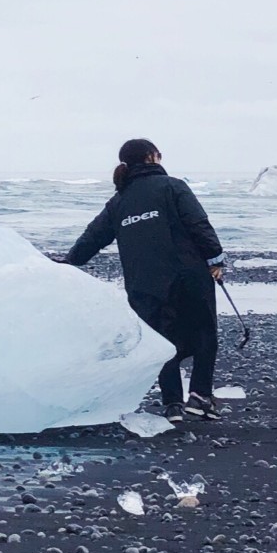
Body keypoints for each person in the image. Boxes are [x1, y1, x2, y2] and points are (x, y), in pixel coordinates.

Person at [58, 139, 227, 422]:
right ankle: (200, 397)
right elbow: (198, 223)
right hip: (188, 275)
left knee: (162, 340)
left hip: (143, 284)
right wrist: (215, 257)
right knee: (203, 332)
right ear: (152, 157)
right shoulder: (173, 187)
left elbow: (93, 237)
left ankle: (173, 403)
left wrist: (69, 262)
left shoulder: (119, 201)